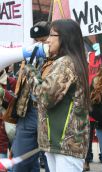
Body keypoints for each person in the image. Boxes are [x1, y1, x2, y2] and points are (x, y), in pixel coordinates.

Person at [23, 19, 90, 172]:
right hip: (61, 143)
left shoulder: (66, 63)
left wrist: (30, 71)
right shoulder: (69, 61)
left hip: (65, 143)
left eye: (52, 35)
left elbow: (46, 97)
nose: (48, 40)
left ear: (65, 37)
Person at [12, 21, 50, 172]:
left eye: (43, 40)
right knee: (21, 161)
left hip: (48, 113)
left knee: (51, 162)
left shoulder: (59, 60)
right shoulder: (28, 57)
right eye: (36, 41)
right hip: (28, 113)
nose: (39, 44)